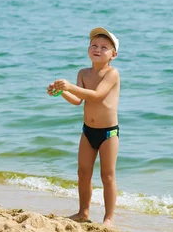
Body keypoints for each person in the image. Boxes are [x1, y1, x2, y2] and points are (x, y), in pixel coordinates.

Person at [48, 27, 121, 227]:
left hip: (108, 133)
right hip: (88, 132)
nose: (97, 49)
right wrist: (60, 92)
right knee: (83, 172)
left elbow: (97, 95)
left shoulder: (112, 74)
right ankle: (83, 212)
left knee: (107, 175)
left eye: (104, 47)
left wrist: (70, 85)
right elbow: (77, 100)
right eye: (94, 45)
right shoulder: (83, 73)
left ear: (113, 55)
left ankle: (108, 218)